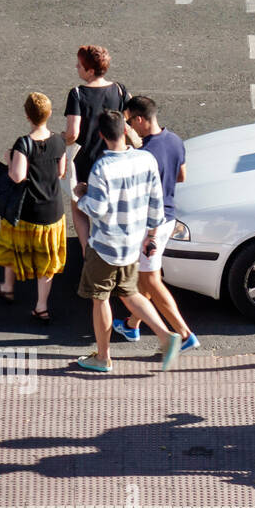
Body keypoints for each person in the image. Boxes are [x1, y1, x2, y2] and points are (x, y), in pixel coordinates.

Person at [73, 110, 181, 373]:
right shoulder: (145, 159)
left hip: (106, 246)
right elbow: (156, 202)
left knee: (100, 298)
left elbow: (97, 208)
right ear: (124, 130)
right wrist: (152, 236)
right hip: (134, 242)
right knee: (130, 293)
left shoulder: (102, 167)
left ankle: (103, 357)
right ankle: (166, 336)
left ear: (101, 135)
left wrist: (80, 196)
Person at [113, 97, 199, 353]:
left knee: (151, 281)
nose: (128, 127)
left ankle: (184, 334)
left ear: (139, 119)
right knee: (145, 276)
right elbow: (181, 175)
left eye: (129, 121)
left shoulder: (142, 154)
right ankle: (131, 324)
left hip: (150, 226)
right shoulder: (174, 140)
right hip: (168, 218)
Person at [0, 92, 67, 323]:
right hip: (52, 211)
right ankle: (41, 306)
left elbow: (17, 176)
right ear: (49, 113)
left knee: (13, 247)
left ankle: (7, 287)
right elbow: (61, 172)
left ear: (27, 116)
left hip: (26, 211)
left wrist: (10, 157)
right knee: (47, 262)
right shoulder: (59, 141)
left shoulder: (23, 144)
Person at [63, 46, 133, 254]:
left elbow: (73, 133)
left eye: (80, 65)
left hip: (86, 161)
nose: (77, 67)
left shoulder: (77, 94)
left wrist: (62, 139)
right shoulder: (119, 89)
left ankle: (87, 250)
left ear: (90, 71)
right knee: (111, 205)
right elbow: (127, 119)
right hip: (115, 159)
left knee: (79, 205)